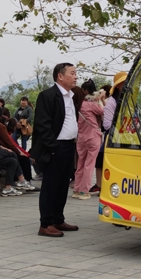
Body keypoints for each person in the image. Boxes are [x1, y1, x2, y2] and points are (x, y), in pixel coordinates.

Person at [33, 63, 81, 238]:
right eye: (72, 73)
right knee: (50, 186)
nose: (76, 76)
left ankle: (57, 218)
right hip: (55, 147)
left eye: (76, 73)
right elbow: (42, 125)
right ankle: (45, 224)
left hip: (69, 145)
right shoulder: (47, 96)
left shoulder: (71, 96)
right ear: (60, 76)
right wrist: (52, 147)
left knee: (62, 186)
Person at [0, 106, 36, 193]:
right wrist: (19, 152)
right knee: (21, 158)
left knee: (13, 160)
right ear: (0, 115)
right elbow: (9, 143)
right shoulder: (0, 126)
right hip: (0, 150)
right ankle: (22, 181)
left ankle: (15, 182)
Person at [73, 80, 105, 200]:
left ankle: (77, 189)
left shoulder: (79, 105)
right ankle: (84, 191)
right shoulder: (92, 105)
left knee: (80, 163)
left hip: (81, 138)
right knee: (89, 164)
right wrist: (100, 100)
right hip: (93, 137)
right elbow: (105, 112)